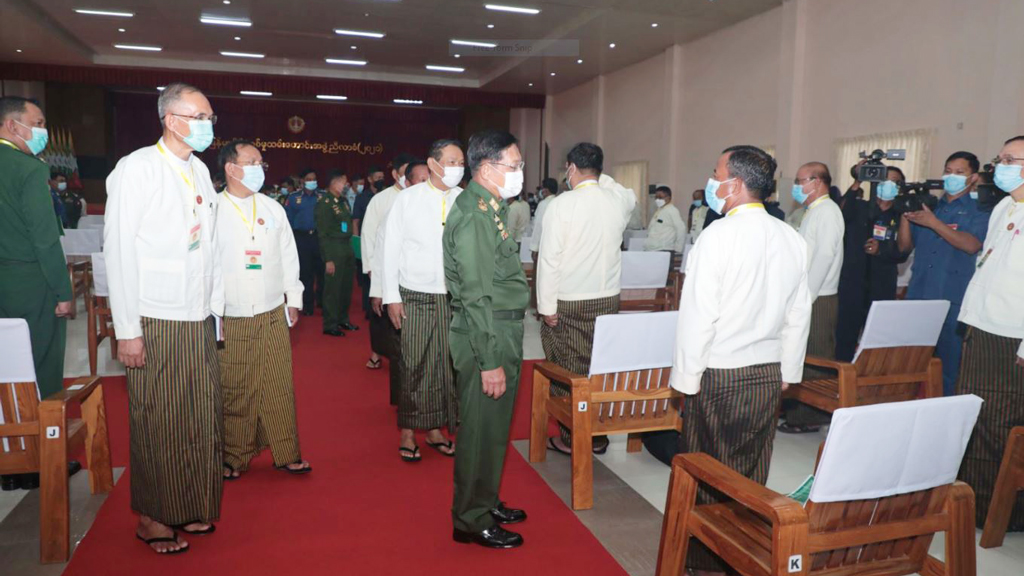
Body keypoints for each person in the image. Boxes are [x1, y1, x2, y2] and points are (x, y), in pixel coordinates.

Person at [673, 145, 812, 575]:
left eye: (716, 174)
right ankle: (745, 552)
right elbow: (798, 312)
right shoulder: (791, 236)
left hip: (718, 372)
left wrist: (685, 379)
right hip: (767, 373)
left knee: (708, 468)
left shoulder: (718, 235)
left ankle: (706, 558)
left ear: (734, 185)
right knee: (751, 470)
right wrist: (789, 372)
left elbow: (698, 315)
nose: (712, 182)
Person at [104, 82, 223, 554]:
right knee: (157, 417)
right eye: (201, 117)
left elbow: (208, 249)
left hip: (196, 316)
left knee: (196, 416)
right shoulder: (136, 169)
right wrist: (127, 330)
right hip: (154, 315)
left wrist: (216, 312)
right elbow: (118, 253)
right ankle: (152, 518)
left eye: (211, 118)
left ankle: (187, 505)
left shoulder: (197, 170)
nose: (208, 127)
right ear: (172, 120)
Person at [444, 129, 530, 549]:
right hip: (487, 332)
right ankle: (469, 519)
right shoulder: (475, 215)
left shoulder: (490, 205)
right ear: (486, 167)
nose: (519, 173)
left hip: (501, 328)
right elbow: (475, 294)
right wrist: (489, 360)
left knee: (495, 428)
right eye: (513, 166)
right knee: (478, 431)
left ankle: (486, 498)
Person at [214, 139, 310, 479]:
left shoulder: (272, 208)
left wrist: (293, 298)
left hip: (272, 309)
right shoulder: (212, 210)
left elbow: (289, 256)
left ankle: (286, 451)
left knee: (278, 382)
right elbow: (206, 266)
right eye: (252, 161)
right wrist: (213, 312)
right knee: (236, 384)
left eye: (260, 162)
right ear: (231, 167)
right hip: (231, 314)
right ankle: (234, 455)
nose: (260, 167)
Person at [537, 142, 636, 455]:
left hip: (571, 299)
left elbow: (549, 260)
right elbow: (625, 191)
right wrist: (598, 175)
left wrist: (546, 307)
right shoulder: (617, 200)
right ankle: (598, 434)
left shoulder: (562, 205)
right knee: (598, 366)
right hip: (608, 298)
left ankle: (574, 438)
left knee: (567, 367)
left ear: (570, 168)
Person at [0, 97, 75, 492]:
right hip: (29, 282)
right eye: (39, 123)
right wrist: (63, 292)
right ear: (13, 127)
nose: (44, 131)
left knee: (3, 369)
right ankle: (39, 460)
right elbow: (45, 238)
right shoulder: (28, 169)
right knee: (40, 367)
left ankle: (8, 459)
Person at [957, 135, 1024, 532]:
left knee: (1001, 423)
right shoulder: (1004, 206)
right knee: (974, 416)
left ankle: (1001, 513)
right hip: (981, 325)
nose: (1000, 166)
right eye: (1000, 159)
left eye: (1010, 159)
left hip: (1010, 336)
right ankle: (972, 500)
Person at [382, 140, 464, 461]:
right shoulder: (408, 200)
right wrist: (391, 297)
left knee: (447, 366)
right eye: (452, 161)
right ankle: (407, 431)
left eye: (462, 162)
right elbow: (390, 249)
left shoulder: (464, 201)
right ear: (433, 163)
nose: (459, 166)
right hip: (414, 294)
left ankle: (434, 429)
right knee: (414, 364)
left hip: (454, 298)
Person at [897, 151, 989, 396]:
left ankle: (946, 423)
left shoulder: (978, 209)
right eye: (948, 171)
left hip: (952, 299)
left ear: (973, 177)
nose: (951, 176)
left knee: (950, 368)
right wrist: (906, 215)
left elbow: (971, 244)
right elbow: (904, 248)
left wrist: (934, 223)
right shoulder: (932, 206)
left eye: (959, 172)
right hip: (919, 294)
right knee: (909, 363)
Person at [777, 162, 844, 434]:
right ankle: (800, 413)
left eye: (800, 180)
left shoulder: (827, 211)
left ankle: (810, 416)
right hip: (809, 294)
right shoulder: (814, 211)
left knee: (816, 354)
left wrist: (808, 296)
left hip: (818, 296)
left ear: (816, 182)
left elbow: (825, 256)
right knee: (803, 353)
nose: (796, 186)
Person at [834, 166, 908, 361]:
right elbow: (840, 214)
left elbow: (903, 251)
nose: (888, 185)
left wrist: (882, 250)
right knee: (844, 338)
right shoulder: (860, 207)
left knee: (876, 340)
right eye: (885, 180)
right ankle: (840, 381)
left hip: (882, 284)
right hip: (852, 283)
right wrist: (859, 179)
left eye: (894, 181)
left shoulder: (901, 214)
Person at [368, 159, 427, 405]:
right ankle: (408, 418)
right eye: (421, 180)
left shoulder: (445, 206)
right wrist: (378, 287)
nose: (426, 185)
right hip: (403, 292)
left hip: (435, 295)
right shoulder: (393, 205)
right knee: (405, 355)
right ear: (407, 181)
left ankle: (433, 419)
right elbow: (379, 247)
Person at [361, 153, 414, 371]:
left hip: (407, 273)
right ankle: (376, 354)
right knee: (380, 318)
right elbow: (368, 235)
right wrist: (371, 268)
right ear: (395, 175)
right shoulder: (381, 199)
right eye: (405, 174)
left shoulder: (417, 198)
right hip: (381, 270)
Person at [315, 170, 357, 336]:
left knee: (346, 287)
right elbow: (323, 233)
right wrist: (328, 259)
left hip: (346, 246)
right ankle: (330, 324)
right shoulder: (325, 203)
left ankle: (342, 319)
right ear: (333, 182)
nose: (345, 185)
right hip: (334, 247)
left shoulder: (343, 201)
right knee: (333, 289)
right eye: (342, 182)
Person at [285, 168, 324, 316]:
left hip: (319, 237)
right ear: (301, 181)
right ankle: (308, 304)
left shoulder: (323, 196)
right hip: (301, 238)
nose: (312, 181)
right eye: (308, 179)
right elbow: (288, 219)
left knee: (322, 271)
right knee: (305, 272)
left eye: (314, 178)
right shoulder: (293, 197)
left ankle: (321, 300)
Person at [644, 185, 686, 252]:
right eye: (656, 197)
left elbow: (681, 229)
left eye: (660, 197)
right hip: (653, 248)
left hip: (664, 249)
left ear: (668, 198)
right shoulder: (659, 210)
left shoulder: (672, 210)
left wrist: (678, 248)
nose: (657, 200)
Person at [528, 178, 559, 260]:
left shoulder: (543, 204)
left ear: (546, 190)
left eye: (542, 188)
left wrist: (535, 247)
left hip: (545, 244)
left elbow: (538, 226)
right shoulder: (559, 201)